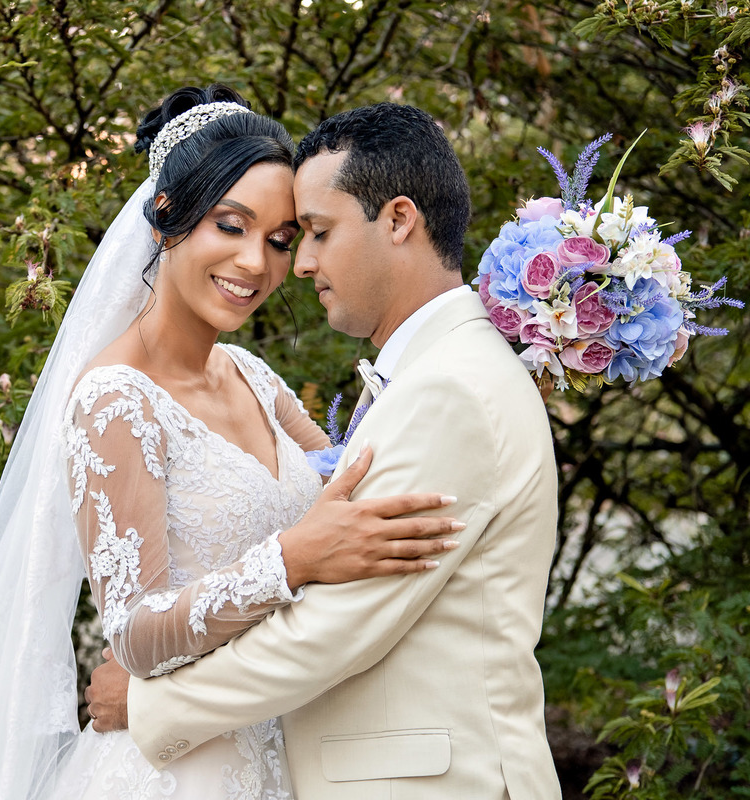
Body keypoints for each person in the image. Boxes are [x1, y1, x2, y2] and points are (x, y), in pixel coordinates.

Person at [0, 87, 460, 800]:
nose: (256, 263)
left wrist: (477, 375)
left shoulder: (254, 378)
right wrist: (294, 558)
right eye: (230, 225)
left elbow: (357, 482)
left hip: (286, 750)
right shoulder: (115, 400)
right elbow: (135, 635)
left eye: (279, 240)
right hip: (173, 772)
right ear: (166, 216)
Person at [90, 103, 563, 799]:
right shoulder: (435, 373)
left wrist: (150, 704)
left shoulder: (447, 390)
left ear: (397, 220)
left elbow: (337, 627)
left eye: (311, 233)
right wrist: (296, 556)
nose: (298, 264)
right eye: (238, 227)